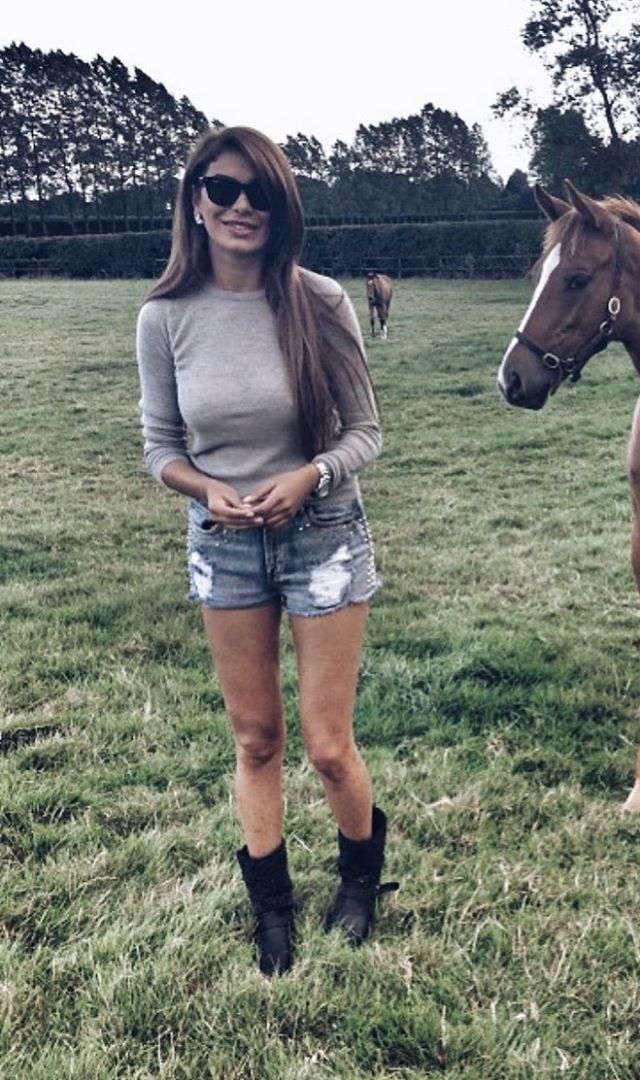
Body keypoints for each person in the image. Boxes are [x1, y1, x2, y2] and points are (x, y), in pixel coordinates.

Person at [136, 126, 396, 976]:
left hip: (324, 537)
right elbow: (159, 447)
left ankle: (360, 880)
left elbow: (365, 432)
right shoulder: (164, 317)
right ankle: (271, 906)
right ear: (195, 203)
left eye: (261, 193)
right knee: (255, 739)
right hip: (225, 545)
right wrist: (204, 488)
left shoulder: (320, 302)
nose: (241, 205)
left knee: (327, 743)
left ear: (283, 208)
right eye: (223, 189)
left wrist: (311, 475)